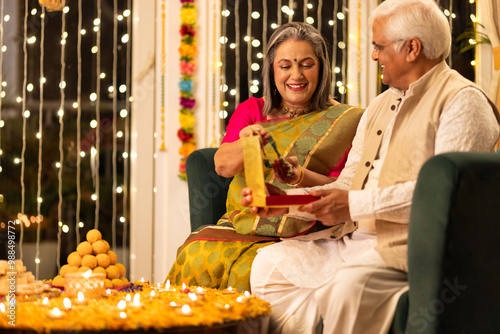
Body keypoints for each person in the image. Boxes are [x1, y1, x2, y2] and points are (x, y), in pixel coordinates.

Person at [242, 1, 500, 333]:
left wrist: (352, 205)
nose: (374, 56)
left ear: (411, 48)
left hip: (410, 246)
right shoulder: (381, 103)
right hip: (353, 237)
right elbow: (350, 181)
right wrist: (290, 202)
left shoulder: (463, 100)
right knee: (269, 267)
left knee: (348, 288)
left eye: (379, 46)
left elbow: (445, 200)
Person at [166, 22, 364, 292]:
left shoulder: (345, 121)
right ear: (272, 70)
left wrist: (299, 177)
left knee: (255, 267)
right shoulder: (253, 110)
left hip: (307, 225)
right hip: (245, 220)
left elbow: (342, 187)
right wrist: (249, 144)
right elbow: (223, 166)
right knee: (193, 252)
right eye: (285, 66)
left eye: (306, 64)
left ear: (322, 68)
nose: (296, 75)